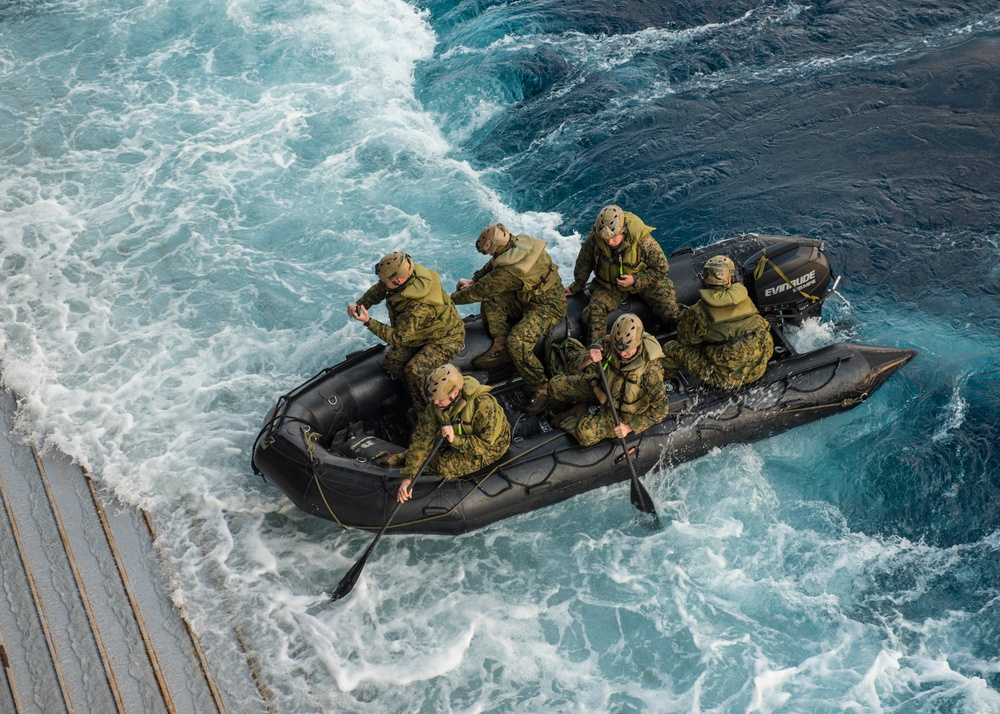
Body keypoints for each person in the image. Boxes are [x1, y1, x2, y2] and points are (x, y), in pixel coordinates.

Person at [452, 223, 567, 416]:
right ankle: (500, 345)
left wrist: (446, 301)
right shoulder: (517, 243)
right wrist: (475, 279)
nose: (490, 255)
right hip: (528, 298)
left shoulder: (509, 272)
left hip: (548, 307)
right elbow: (496, 263)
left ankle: (541, 388)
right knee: (492, 299)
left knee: (518, 342)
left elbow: (479, 292)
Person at [348, 251, 465, 409]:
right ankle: (413, 391)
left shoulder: (417, 306)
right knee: (392, 362)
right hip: (422, 333)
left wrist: (369, 322)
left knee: (415, 370)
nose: (382, 283)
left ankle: (426, 410)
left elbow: (397, 338)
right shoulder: (406, 275)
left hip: (446, 339)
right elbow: (380, 289)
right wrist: (361, 304)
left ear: (398, 281)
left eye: (385, 280)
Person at [546, 313, 670, 446]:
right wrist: (588, 358)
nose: (622, 354)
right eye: (619, 350)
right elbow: (575, 366)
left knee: (585, 434)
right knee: (555, 386)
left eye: (628, 351)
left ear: (638, 343)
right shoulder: (608, 343)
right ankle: (566, 411)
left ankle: (572, 416)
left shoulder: (650, 369)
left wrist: (629, 427)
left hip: (623, 412)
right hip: (601, 388)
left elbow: (661, 408)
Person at [395, 364, 512, 503]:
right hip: (455, 432)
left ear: (455, 393)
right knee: (421, 449)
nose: (435, 402)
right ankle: (408, 460)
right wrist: (408, 477)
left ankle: (412, 460)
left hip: (491, 447)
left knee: (443, 465)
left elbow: (484, 445)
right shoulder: (436, 406)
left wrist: (455, 440)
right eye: (434, 398)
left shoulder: (483, 406)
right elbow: (422, 440)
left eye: (440, 398)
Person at [566, 204, 678, 344]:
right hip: (610, 286)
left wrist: (636, 280)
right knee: (594, 312)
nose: (609, 242)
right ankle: (597, 352)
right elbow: (584, 262)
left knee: (668, 308)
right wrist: (577, 285)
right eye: (606, 239)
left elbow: (661, 268)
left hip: (643, 282)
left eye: (613, 238)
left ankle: (678, 333)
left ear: (623, 231)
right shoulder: (595, 239)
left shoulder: (643, 241)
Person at [661, 255, 774, 389]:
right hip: (758, 367)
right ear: (730, 279)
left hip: (726, 377)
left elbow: (685, 340)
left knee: (671, 348)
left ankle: (665, 383)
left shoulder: (699, 311)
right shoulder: (744, 298)